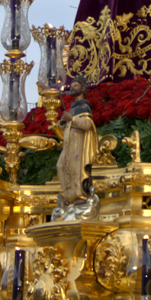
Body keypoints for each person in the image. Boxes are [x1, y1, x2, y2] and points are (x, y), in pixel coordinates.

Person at [56, 76, 98, 205]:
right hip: (69, 145)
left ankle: (79, 194)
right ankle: (68, 195)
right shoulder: (73, 108)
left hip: (78, 144)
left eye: (75, 86)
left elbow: (87, 124)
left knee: (76, 169)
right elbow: (67, 126)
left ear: (82, 88)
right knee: (61, 166)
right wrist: (63, 122)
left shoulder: (84, 106)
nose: (72, 88)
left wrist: (72, 119)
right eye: (71, 86)